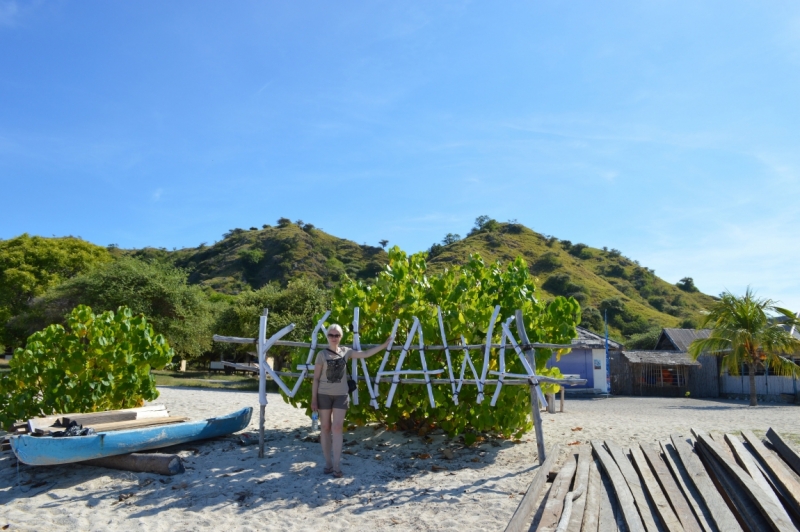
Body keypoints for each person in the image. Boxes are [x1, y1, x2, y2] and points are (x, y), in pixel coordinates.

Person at [311, 324, 391, 478]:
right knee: (325, 428)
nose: (334, 338)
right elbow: (315, 379)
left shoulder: (346, 351)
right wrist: (314, 399)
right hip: (323, 395)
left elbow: (366, 353)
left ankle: (336, 465)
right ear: (327, 336)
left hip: (341, 395)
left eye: (337, 335)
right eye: (331, 335)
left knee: (337, 428)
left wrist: (384, 345)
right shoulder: (321, 354)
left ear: (340, 337)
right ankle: (328, 463)